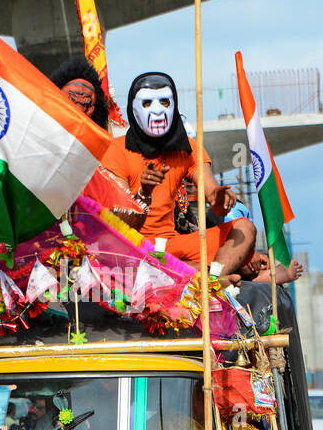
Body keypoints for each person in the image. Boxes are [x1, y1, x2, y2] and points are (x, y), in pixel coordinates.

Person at [107, 72, 256, 278]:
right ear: (133, 108)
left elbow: (213, 197)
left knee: (244, 229)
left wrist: (221, 200)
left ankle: (210, 279)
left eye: (165, 102)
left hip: (172, 245)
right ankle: (193, 272)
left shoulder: (188, 148)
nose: (158, 111)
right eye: (148, 103)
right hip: (133, 249)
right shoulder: (116, 150)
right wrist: (144, 193)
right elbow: (119, 223)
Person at [50, 56, 147, 228]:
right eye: (71, 100)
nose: (78, 111)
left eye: (86, 104)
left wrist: (146, 192)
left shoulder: (100, 161)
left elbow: (128, 218)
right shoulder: (36, 146)